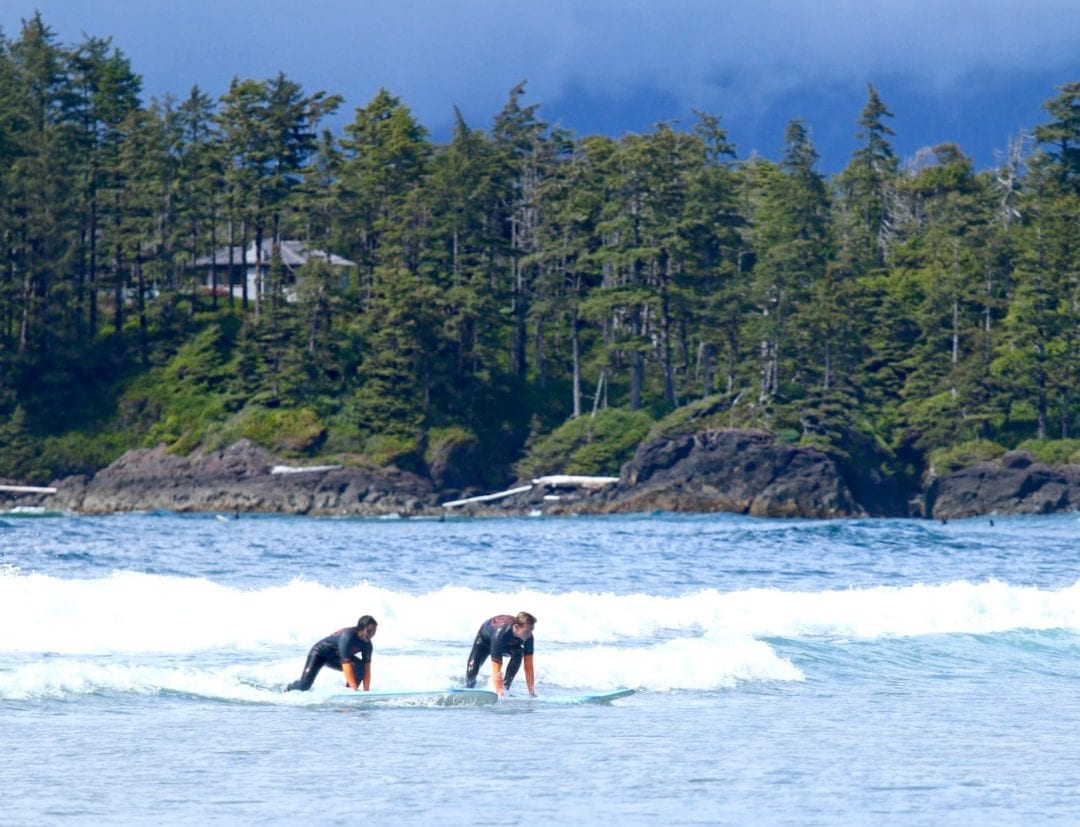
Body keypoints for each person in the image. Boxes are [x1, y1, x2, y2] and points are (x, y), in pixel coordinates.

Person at [286, 615, 378, 691]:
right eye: (369, 630)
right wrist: (354, 688)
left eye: (374, 631)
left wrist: (367, 690)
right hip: (319, 654)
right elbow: (346, 664)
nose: (372, 634)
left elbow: (367, 669)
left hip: (335, 658)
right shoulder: (348, 636)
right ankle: (290, 688)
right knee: (304, 686)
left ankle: (348, 691)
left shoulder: (367, 645)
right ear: (361, 628)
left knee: (360, 666)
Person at [465, 611, 537, 697]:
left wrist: (531, 692)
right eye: (526, 631)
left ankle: (505, 688)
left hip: (507, 645)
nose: (529, 635)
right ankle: (468, 690)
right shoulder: (501, 634)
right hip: (484, 641)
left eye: (531, 630)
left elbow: (528, 666)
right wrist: (498, 690)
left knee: (518, 653)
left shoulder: (528, 637)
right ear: (517, 627)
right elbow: (496, 668)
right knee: (472, 671)